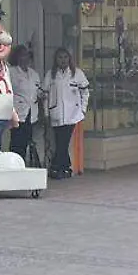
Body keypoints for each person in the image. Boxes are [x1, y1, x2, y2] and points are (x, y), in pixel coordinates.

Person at [45, 48, 90, 178]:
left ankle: (56, 167)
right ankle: (65, 167)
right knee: (60, 142)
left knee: (63, 141)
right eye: (60, 57)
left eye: (65, 57)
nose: (63, 60)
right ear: (56, 60)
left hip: (72, 114)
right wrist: (46, 114)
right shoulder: (51, 75)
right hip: (56, 113)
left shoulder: (77, 73)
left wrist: (82, 109)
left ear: (69, 59)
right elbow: (45, 94)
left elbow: (85, 92)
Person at [7, 45, 41, 163]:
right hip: (17, 111)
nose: (25, 58)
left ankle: (22, 163)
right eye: (22, 55)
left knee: (27, 141)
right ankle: (13, 164)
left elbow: (37, 89)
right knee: (17, 141)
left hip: (31, 113)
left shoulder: (34, 74)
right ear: (17, 57)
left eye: (27, 55)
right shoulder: (11, 72)